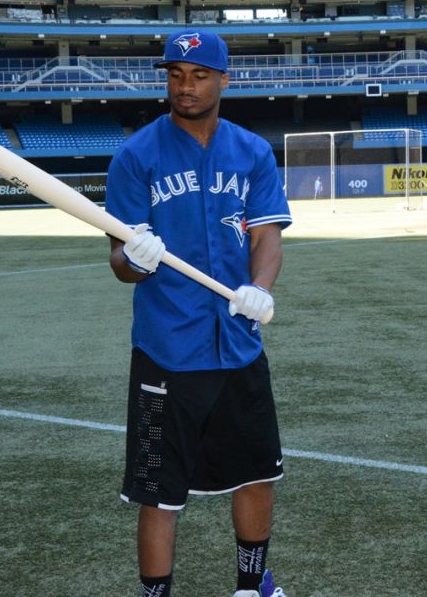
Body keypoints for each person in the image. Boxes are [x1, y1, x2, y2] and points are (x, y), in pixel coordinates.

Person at [105, 30, 290, 597]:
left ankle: (250, 586)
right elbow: (118, 260)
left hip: (238, 343)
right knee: (158, 492)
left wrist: (258, 288)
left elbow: (266, 237)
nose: (185, 86)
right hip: (167, 350)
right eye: (176, 75)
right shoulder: (136, 156)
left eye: (199, 75)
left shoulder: (252, 151)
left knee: (257, 475)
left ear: (223, 80)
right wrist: (134, 258)